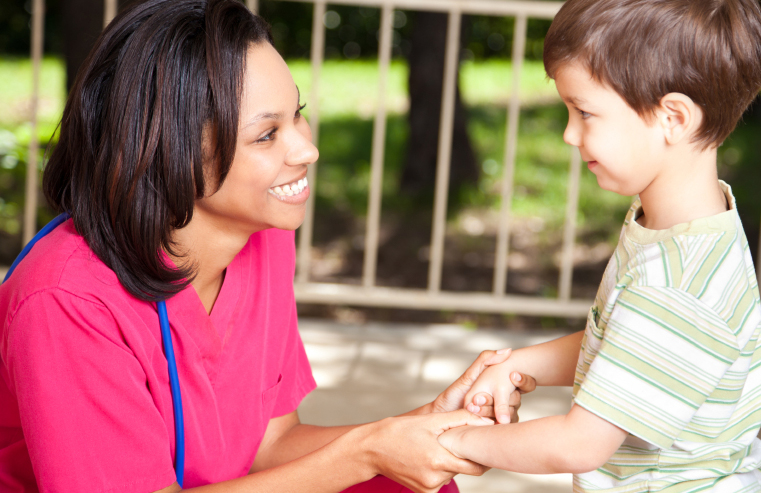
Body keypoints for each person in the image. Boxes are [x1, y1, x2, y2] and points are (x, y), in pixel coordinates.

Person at [0, 1, 538, 492]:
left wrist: (418, 432)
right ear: (169, 152)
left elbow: (269, 447)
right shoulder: (67, 300)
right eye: (266, 135)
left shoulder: (263, 237)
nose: (308, 149)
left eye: (297, 114)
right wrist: (369, 450)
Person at [436, 0, 761, 491]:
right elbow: (627, 348)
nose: (569, 134)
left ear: (673, 118)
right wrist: (519, 364)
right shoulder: (682, 226)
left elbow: (578, 444)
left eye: (584, 111)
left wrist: (452, 442)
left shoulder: (676, 286)